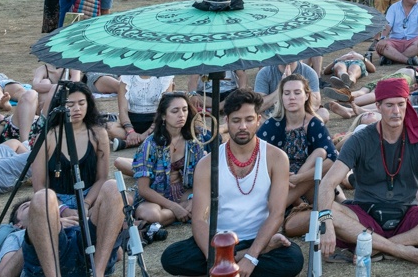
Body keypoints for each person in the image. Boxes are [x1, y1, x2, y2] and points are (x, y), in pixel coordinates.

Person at [313, 78, 418, 266]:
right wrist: (326, 220)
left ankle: (378, 247)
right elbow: (328, 183)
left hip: (407, 214)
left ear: (407, 104)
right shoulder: (359, 139)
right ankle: (402, 251)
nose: (396, 111)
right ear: (377, 106)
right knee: (332, 213)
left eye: (401, 104)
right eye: (389, 105)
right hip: (364, 215)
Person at [161, 89, 300, 277]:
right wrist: (216, 259)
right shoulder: (207, 164)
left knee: (293, 260)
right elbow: (200, 219)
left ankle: (245, 259)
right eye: (236, 120)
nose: (243, 126)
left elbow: (277, 213)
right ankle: (239, 261)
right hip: (218, 240)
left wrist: (251, 256)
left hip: (256, 238)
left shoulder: (276, 158)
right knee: (172, 257)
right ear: (227, 121)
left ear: (258, 120)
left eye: (249, 120)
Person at [25, 83, 125, 277]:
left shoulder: (98, 133)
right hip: (54, 201)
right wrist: (63, 210)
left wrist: (86, 205)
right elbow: (39, 186)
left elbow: (102, 178)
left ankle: (99, 271)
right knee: (43, 198)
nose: (77, 109)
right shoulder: (47, 136)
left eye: (81, 103)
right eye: (70, 105)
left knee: (113, 187)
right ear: (60, 107)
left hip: (89, 198)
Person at [258, 75, 336, 215]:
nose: (291, 97)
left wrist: (299, 178)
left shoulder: (315, 123)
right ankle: (300, 205)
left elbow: (332, 158)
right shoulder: (273, 124)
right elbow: (256, 153)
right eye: (286, 93)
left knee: (320, 153)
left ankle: (281, 209)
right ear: (281, 97)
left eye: (297, 92)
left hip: (304, 177)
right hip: (279, 180)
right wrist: (279, 176)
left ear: (306, 96)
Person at [131, 93, 207, 231]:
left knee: (210, 201)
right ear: (164, 116)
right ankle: (184, 213)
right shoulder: (150, 145)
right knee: (150, 214)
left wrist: (193, 197)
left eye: (184, 110)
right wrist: (175, 208)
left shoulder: (195, 140)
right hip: (156, 197)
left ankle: (166, 219)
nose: (181, 115)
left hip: (185, 192)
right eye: (175, 111)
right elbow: (143, 189)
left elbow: (203, 177)